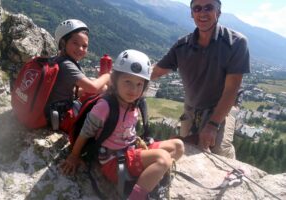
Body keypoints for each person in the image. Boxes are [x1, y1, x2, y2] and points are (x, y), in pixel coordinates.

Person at [60, 49, 185, 200]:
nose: (133, 90)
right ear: (114, 80)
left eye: (139, 84)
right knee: (163, 158)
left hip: (129, 151)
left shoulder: (134, 104)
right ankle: (137, 196)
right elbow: (86, 132)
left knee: (178, 146)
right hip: (113, 161)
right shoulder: (105, 106)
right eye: (127, 82)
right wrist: (74, 156)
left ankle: (148, 179)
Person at [151, 0, 250, 159]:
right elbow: (156, 72)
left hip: (222, 108)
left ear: (218, 12)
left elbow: (231, 89)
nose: (202, 13)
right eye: (197, 8)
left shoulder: (236, 43)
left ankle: (233, 177)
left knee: (219, 150)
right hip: (192, 109)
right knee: (185, 149)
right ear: (192, 13)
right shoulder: (182, 46)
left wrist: (213, 124)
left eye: (208, 7)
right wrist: (118, 77)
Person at [46, 19, 111, 117]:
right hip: (59, 115)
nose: (80, 49)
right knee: (103, 90)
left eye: (84, 46)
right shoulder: (67, 65)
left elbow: (66, 90)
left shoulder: (57, 59)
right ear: (63, 43)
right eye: (75, 43)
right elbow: (93, 87)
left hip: (50, 108)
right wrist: (107, 75)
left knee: (97, 84)